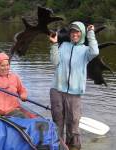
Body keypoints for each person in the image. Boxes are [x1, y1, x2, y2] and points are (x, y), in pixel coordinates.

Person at [49, 21, 99, 150]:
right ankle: (58, 145)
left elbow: (95, 52)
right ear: (69, 34)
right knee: (57, 121)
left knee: (73, 123)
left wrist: (91, 33)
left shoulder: (86, 51)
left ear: (81, 33)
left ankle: (74, 147)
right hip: (57, 89)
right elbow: (54, 62)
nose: (74, 34)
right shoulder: (63, 45)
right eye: (72, 31)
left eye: (77, 31)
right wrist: (54, 44)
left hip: (74, 93)